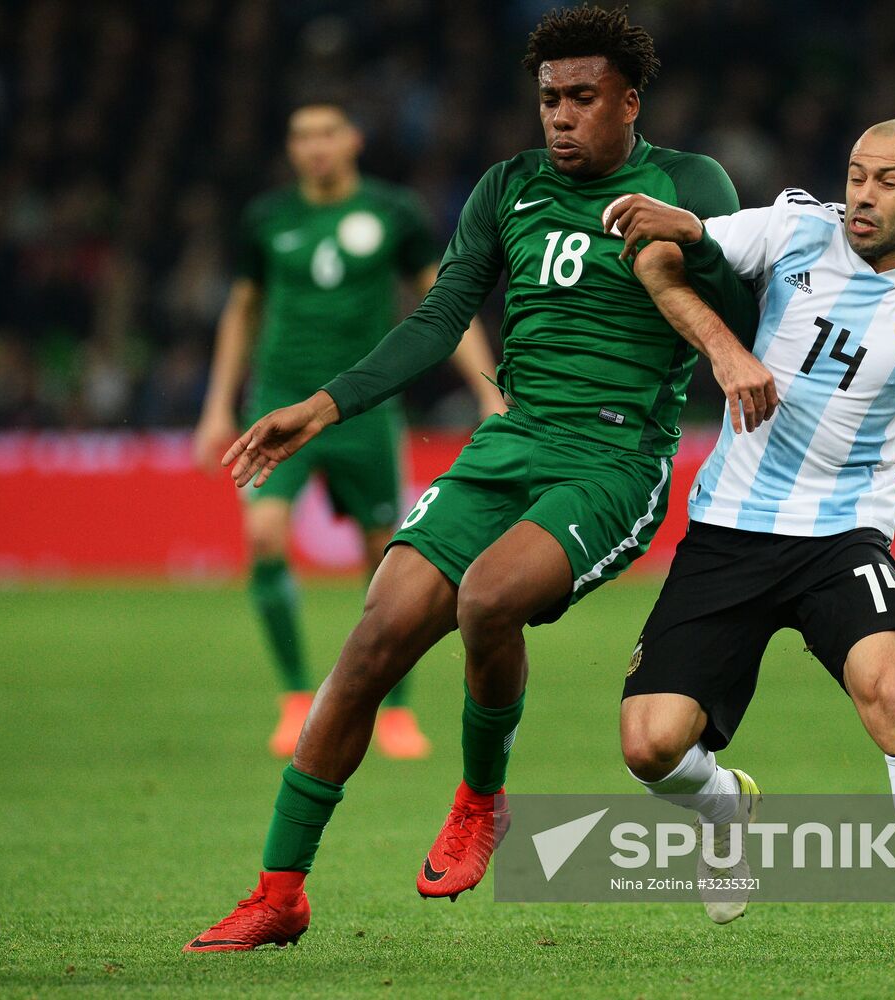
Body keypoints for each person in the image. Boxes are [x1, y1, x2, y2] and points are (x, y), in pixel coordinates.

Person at [183, 5, 773, 952]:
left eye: (582, 98)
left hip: (614, 459)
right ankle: (279, 891)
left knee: (487, 599)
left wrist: (696, 236)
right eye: (548, 99)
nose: (560, 117)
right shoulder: (507, 188)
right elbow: (436, 318)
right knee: (373, 639)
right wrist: (325, 404)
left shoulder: (689, 181)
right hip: (509, 444)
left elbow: (751, 307)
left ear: (628, 100)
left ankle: (480, 799)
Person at [606, 117, 895, 957]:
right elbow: (685, 242)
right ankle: (723, 803)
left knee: (893, 691)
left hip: (843, 533)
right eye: (856, 174)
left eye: (887, 181)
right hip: (730, 527)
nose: (862, 194)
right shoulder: (793, 228)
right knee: (648, 748)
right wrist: (693, 278)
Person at [192, 101, 504, 760]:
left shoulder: (394, 214)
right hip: (279, 401)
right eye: (302, 135)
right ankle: (295, 699)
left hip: (362, 407)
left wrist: (486, 389)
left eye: (327, 133)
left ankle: (394, 709)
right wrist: (217, 407)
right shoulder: (267, 219)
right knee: (263, 535)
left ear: (353, 139)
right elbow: (241, 310)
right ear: (290, 146)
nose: (315, 147)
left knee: (385, 559)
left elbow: (442, 302)